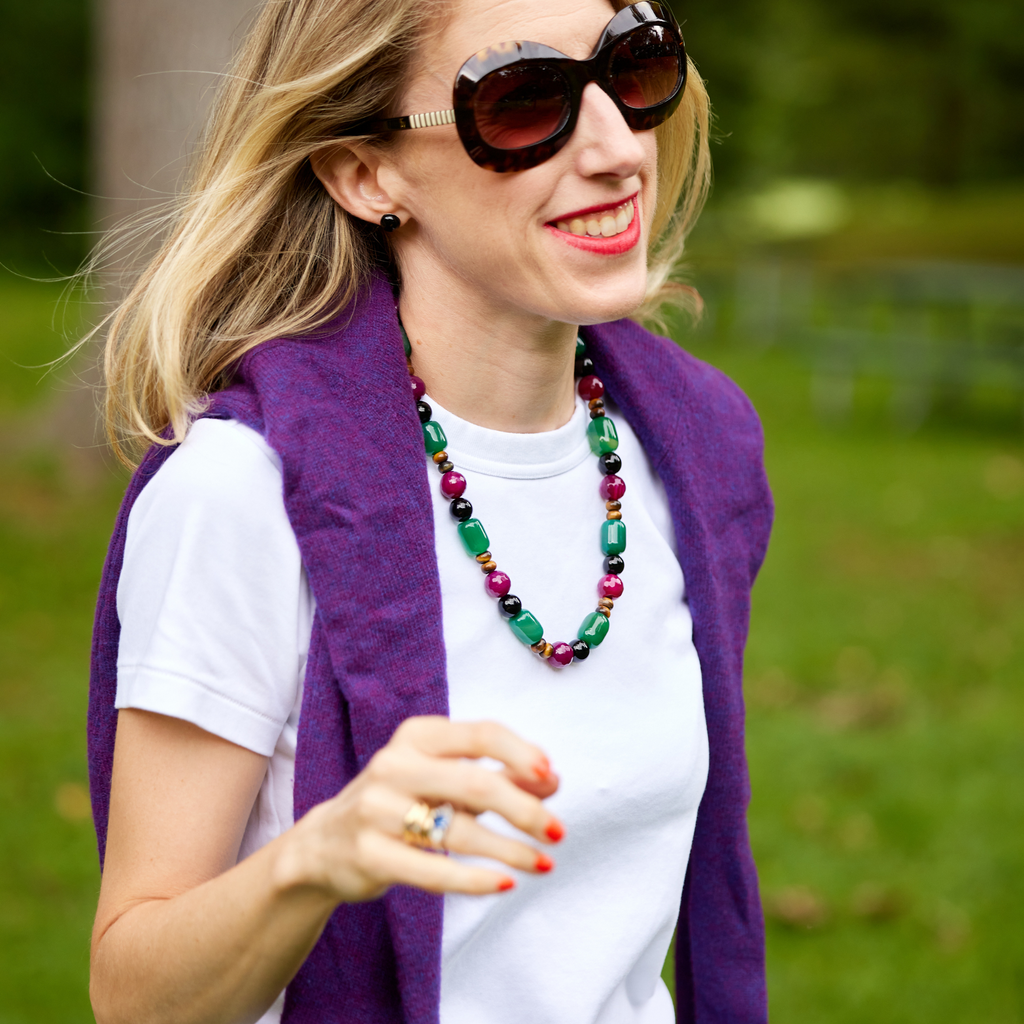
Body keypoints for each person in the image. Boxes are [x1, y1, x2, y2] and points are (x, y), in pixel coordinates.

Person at [86, 0, 773, 1021]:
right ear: (366, 174)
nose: (616, 147)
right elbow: (133, 995)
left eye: (631, 69)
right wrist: (315, 858)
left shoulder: (692, 448)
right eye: (522, 100)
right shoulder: (242, 492)